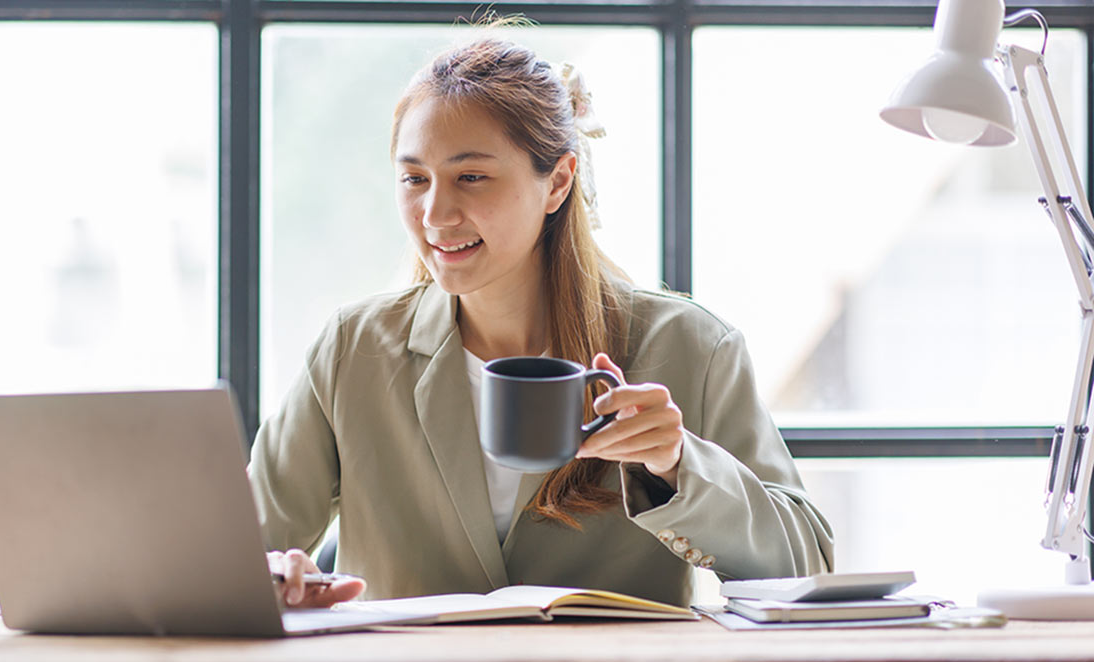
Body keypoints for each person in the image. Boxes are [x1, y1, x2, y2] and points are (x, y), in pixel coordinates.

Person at [251, 34, 833, 611]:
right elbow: (245, 548)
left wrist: (679, 463)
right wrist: (279, 574)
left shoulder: (689, 347)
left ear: (556, 182)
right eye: (414, 179)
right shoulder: (353, 351)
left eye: (470, 177)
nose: (435, 214)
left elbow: (805, 564)